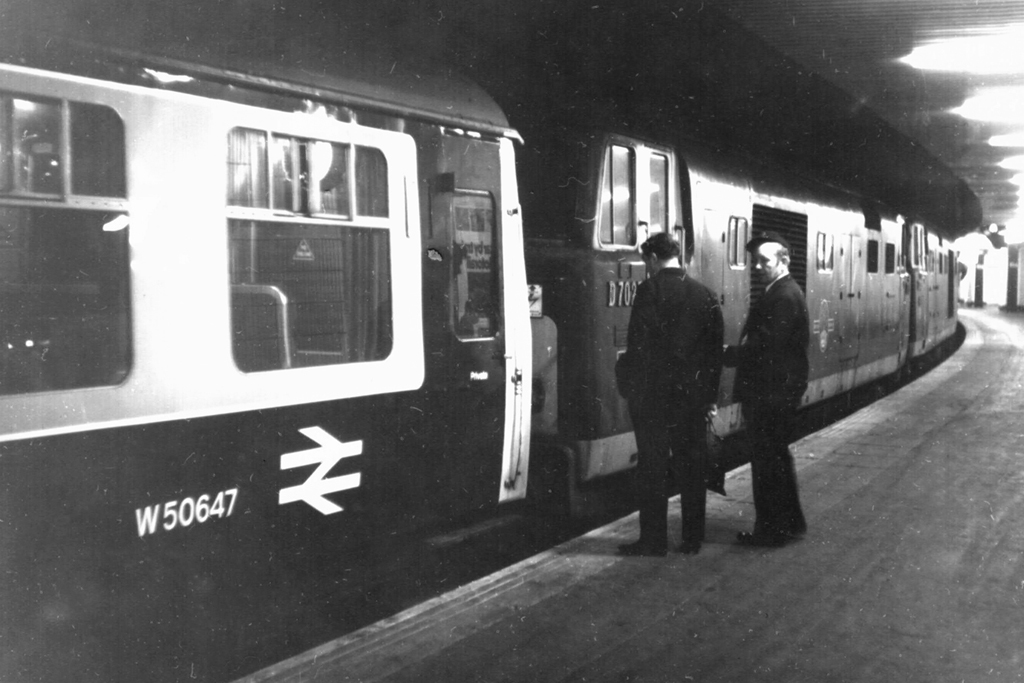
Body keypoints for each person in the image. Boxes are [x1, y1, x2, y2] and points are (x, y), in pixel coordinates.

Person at [616, 232, 724, 556]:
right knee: (692, 466)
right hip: (691, 400)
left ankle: (654, 540)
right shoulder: (704, 294)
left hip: (653, 400)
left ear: (651, 259)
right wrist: (709, 399)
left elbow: (639, 348)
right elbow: (713, 356)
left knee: (653, 468)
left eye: (645, 262)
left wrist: (631, 384)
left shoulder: (649, 290)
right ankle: (692, 538)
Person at [724, 230, 809, 547]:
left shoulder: (784, 295)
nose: (757, 267)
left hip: (771, 393)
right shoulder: (783, 290)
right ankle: (789, 524)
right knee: (776, 460)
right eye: (754, 261)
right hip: (777, 391)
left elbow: (767, 345)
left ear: (783, 260)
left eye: (764, 261)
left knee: (767, 463)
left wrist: (729, 354)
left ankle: (771, 532)